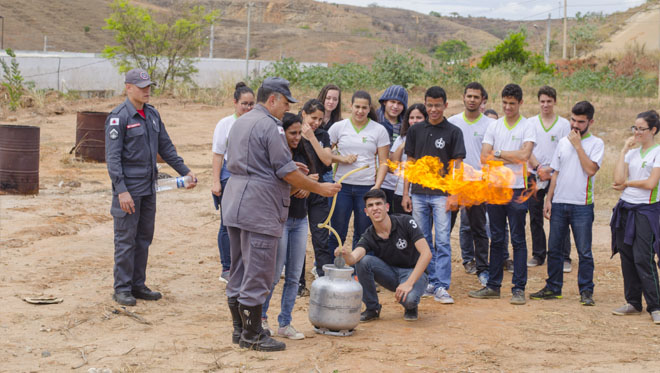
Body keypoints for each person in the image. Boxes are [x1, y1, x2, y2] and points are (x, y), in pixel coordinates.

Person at [222, 77, 340, 352]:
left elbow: (258, 161)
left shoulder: (242, 121)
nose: (286, 109)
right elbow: (284, 171)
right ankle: (253, 335)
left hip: (236, 201)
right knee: (259, 271)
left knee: (238, 268)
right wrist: (318, 187)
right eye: (285, 103)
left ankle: (239, 330)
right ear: (272, 99)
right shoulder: (270, 126)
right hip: (259, 206)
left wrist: (289, 167)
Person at [105, 68, 197, 307]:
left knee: (143, 239)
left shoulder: (152, 115)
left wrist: (185, 171)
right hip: (129, 190)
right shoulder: (119, 117)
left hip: (148, 188)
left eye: (148, 86)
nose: (147, 91)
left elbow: (166, 148)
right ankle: (122, 288)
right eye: (142, 87)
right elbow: (113, 159)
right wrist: (121, 190)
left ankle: (137, 284)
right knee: (126, 240)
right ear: (128, 88)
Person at [530, 101, 603, 306]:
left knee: (584, 251)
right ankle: (553, 287)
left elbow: (590, 170)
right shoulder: (562, 142)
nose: (575, 125)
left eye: (581, 122)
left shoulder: (596, 144)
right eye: (573, 120)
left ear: (590, 122)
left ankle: (586, 291)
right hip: (560, 204)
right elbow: (556, 173)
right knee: (554, 249)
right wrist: (549, 199)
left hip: (582, 205)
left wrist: (578, 146)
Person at [468, 83, 534, 305]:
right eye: (504, 103)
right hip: (495, 188)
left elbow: (524, 156)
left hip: (516, 189)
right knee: (496, 238)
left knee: (517, 239)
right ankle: (493, 286)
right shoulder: (494, 126)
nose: (507, 107)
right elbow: (484, 157)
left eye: (512, 104)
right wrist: (508, 156)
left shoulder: (528, 126)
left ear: (520, 103)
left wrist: (498, 153)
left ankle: (518, 288)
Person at [404, 86, 466, 304]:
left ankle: (441, 285)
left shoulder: (453, 132)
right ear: (425, 103)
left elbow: (457, 167)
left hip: (442, 195)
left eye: (437, 105)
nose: (433, 109)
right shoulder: (415, 130)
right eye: (429, 105)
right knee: (423, 240)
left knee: (442, 240)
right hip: (418, 194)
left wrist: (454, 194)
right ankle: (428, 281)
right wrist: (406, 193)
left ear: (445, 105)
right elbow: (409, 164)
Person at [334, 189, 431, 322]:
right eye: (370, 206)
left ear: (386, 207)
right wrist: (344, 254)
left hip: (414, 273)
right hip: (390, 273)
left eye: (378, 204)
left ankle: (411, 306)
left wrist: (408, 283)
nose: (375, 208)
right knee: (364, 261)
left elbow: (426, 254)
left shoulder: (406, 221)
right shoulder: (369, 234)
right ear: (366, 212)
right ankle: (372, 308)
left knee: (409, 300)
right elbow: (354, 259)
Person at [261, 113, 315, 340]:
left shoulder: (303, 151)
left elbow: (314, 175)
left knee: (294, 275)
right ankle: (261, 319)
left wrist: (309, 185)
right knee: (273, 275)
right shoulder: (274, 155)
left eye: (298, 133)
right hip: (280, 220)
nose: (295, 137)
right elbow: (277, 190)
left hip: (300, 219)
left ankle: (285, 322)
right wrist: (298, 185)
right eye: (291, 133)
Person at [611, 110, 660, 324]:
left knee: (643, 256)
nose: (637, 132)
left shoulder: (657, 152)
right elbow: (617, 179)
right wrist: (623, 151)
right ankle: (633, 301)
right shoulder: (632, 153)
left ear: (653, 130)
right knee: (627, 254)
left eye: (641, 129)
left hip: (646, 209)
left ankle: (655, 305)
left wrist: (628, 184)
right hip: (626, 206)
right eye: (635, 128)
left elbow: (651, 183)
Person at [327, 91, 391, 254]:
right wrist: (342, 159)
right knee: (337, 230)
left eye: (364, 107)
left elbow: (384, 162)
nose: (360, 111)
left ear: (370, 109)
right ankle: (331, 270)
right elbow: (325, 156)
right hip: (342, 187)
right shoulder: (338, 127)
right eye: (357, 107)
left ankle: (359, 271)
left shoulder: (379, 130)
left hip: (366, 188)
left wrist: (376, 187)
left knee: (363, 232)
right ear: (350, 106)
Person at [448, 82, 493, 287]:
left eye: (476, 97)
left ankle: (483, 269)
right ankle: (439, 272)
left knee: (479, 229)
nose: (472, 100)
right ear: (463, 97)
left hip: (477, 184)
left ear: (482, 100)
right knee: (444, 228)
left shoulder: (489, 125)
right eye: (469, 96)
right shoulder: (453, 122)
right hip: (454, 184)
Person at [211, 82, 255, 283]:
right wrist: (216, 182)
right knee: (227, 222)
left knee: (247, 222)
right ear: (235, 103)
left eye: (251, 104)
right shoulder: (225, 124)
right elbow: (218, 155)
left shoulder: (257, 122)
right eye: (244, 104)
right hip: (230, 174)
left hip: (252, 175)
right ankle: (227, 267)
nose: (247, 108)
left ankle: (244, 265)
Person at [526, 86, 572, 270]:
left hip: (556, 176)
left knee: (559, 215)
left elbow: (565, 151)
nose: (545, 105)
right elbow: (526, 149)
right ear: (538, 102)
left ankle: (563, 256)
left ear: (555, 102)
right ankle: (538, 254)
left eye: (549, 101)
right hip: (534, 174)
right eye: (542, 101)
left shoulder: (563, 124)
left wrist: (551, 170)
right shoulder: (530, 123)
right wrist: (538, 168)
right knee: (535, 216)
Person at [300, 99, 335, 279]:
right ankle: (298, 279)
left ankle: (323, 275)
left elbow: (327, 160)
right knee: (298, 236)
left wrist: (312, 137)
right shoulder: (293, 132)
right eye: (313, 118)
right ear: (303, 114)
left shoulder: (322, 135)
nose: (316, 123)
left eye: (320, 120)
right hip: (298, 192)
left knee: (321, 234)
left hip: (318, 191)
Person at [391, 104, 427, 215]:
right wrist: (403, 145)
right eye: (412, 118)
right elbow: (392, 165)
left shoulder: (431, 137)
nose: (414, 121)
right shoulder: (401, 138)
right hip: (401, 192)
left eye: (419, 118)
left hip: (424, 193)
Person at [377, 85, 409, 210]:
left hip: (397, 182)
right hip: (377, 180)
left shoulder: (406, 127)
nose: (395, 107)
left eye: (400, 103)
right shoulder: (374, 123)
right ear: (385, 102)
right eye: (392, 102)